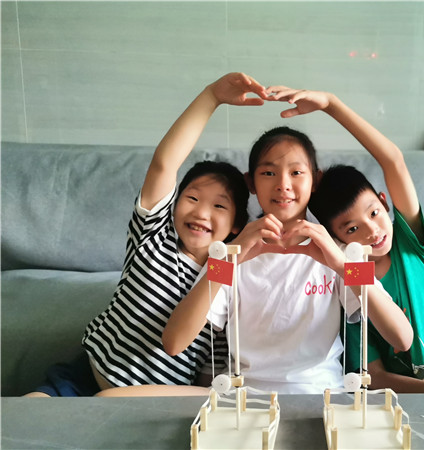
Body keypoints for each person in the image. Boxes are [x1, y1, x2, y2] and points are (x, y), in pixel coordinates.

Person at [162, 89, 413, 394]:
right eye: (269, 172)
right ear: (251, 182)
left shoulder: (338, 252)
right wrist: (227, 262)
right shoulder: (231, 254)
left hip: (323, 395)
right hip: (246, 400)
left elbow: (402, 338)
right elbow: (174, 343)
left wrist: (341, 265)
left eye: (296, 172)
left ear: (315, 180)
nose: (283, 185)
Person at [274, 87, 424, 393]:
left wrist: (332, 105)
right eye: (352, 229)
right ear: (337, 238)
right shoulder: (351, 284)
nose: (372, 231)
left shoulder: (411, 244)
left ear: (384, 201)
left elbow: (392, 160)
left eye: (374, 213)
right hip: (420, 402)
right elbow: (374, 378)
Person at [27, 72, 258, 397]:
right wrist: (211, 97)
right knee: (29, 410)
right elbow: (164, 164)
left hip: (145, 403)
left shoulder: (225, 279)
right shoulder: (153, 236)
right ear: (174, 204)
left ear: (236, 225)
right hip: (81, 379)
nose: (201, 213)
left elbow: (209, 369)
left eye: (219, 206)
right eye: (192, 198)